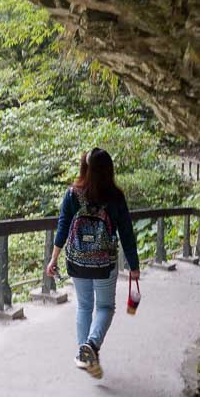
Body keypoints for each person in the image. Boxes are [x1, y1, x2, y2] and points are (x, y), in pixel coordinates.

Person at [46, 147, 140, 379]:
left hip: (77, 261)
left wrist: (54, 258)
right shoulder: (116, 198)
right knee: (106, 308)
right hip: (104, 263)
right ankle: (91, 346)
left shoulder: (72, 194)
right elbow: (127, 233)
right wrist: (134, 265)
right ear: (109, 170)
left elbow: (63, 227)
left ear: (84, 167)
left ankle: (83, 352)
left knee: (84, 306)